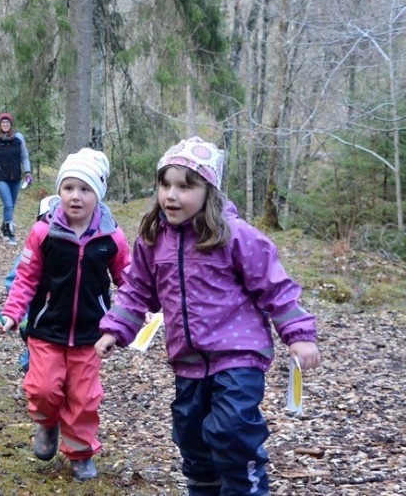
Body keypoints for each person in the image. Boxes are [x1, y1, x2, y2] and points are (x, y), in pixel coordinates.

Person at [94, 136, 321, 496]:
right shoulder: (153, 240)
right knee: (191, 436)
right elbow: (136, 288)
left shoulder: (234, 236)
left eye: (185, 186)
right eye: (165, 184)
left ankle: (246, 488)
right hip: (187, 360)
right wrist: (116, 328)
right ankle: (203, 488)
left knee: (231, 430)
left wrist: (298, 334)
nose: (171, 195)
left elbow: (276, 286)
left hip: (238, 355)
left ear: (208, 190)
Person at [0, 149, 131, 481]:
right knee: (43, 389)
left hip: (90, 335)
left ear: (97, 195)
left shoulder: (111, 238)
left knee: (83, 398)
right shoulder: (44, 233)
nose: (75, 196)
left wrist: (125, 320)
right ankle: (47, 424)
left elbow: (129, 281)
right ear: (60, 192)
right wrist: (13, 313)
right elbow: (26, 276)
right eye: (69, 188)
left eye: (84, 189)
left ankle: (80, 451)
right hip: (46, 330)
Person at [2, 194, 60, 373]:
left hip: (63, 317)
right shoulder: (33, 250)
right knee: (37, 348)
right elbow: (15, 280)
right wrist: (19, 312)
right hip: (34, 315)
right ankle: (30, 367)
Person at [0, 113, 32, 245]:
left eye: (7, 123)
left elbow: (24, 156)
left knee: (11, 206)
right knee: (7, 204)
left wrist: (28, 172)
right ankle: (10, 234)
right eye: (3, 123)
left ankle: (4, 227)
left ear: (11, 124)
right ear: (0, 125)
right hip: (1, 177)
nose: (5, 125)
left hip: (16, 177)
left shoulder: (18, 138)